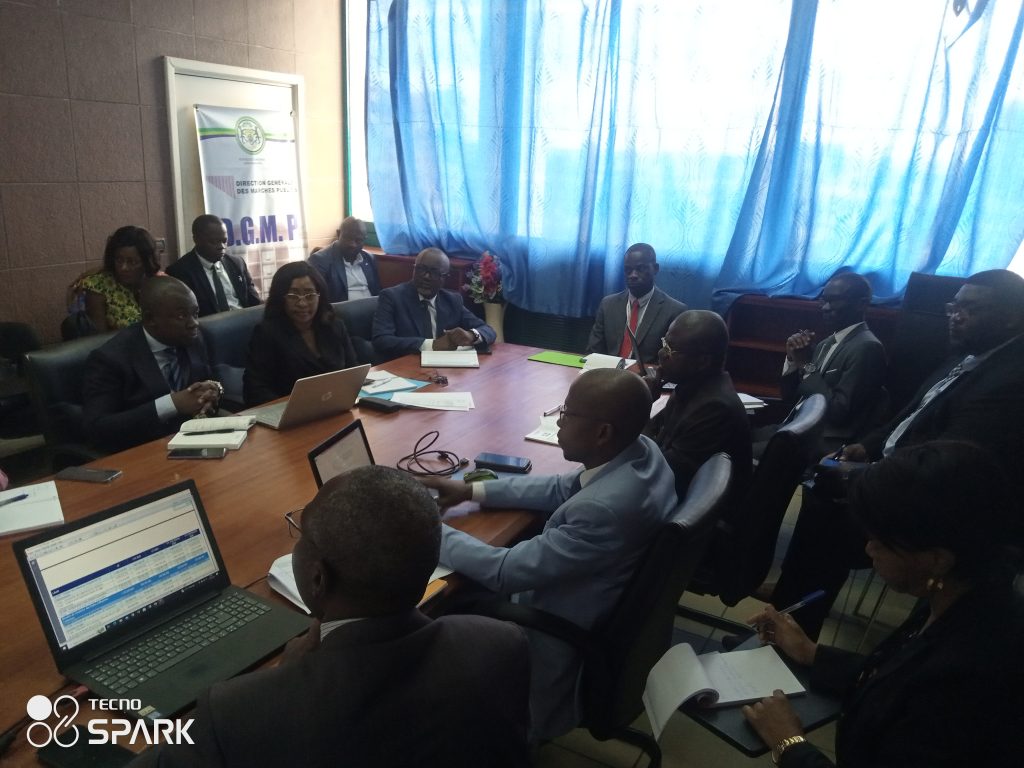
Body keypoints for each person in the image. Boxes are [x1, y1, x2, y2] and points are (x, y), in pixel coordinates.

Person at [130, 465, 531, 767]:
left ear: (318, 578)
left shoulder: (239, 712)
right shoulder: (500, 644)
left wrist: (283, 682)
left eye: (301, 535)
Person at [423, 368, 678, 740]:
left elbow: (504, 571)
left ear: (602, 432)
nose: (558, 423)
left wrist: (423, 525)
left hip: (553, 633)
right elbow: (561, 487)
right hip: (595, 600)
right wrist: (469, 490)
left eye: (567, 414)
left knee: (436, 607)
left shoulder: (603, 510)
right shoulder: (641, 451)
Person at [769, 268, 1024, 638]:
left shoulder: (1010, 381)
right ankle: (785, 618)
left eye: (970, 309)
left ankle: (792, 631)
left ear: (1011, 317)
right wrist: (865, 447)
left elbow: (949, 464)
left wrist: (865, 475)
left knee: (824, 514)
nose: (955, 316)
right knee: (820, 497)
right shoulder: (965, 358)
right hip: (895, 468)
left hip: (934, 502)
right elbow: (905, 419)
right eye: (953, 307)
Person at [742, 441, 1024, 767]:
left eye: (881, 542)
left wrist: (788, 742)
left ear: (936, 559)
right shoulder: (965, 594)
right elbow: (894, 680)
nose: (869, 549)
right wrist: (812, 653)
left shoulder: (966, 679)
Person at [83, 277, 223, 453]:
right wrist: (170, 405)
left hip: (196, 440)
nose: (193, 323)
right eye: (181, 316)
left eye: (195, 313)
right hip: (143, 450)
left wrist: (214, 392)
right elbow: (97, 428)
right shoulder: (111, 359)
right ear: (150, 319)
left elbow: (209, 382)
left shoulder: (194, 338)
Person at [766, 272, 887, 454]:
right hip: (791, 428)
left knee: (739, 451)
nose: (825, 308)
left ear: (861, 304)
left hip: (820, 440)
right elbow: (790, 397)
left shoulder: (867, 347)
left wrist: (805, 364)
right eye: (823, 300)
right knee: (735, 435)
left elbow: (837, 412)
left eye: (834, 301)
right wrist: (793, 359)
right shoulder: (825, 344)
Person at [643, 310, 751, 499]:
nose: (661, 354)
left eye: (670, 350)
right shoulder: (692, 386)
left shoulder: (715, 409)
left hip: (693, 508)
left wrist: (643, 406)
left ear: (702, 362)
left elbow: (655, 473)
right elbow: (661, 442)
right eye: (664, 343)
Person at [243, 261, 359, 406]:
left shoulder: (334, 326)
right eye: (293, 295)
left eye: (310, 295)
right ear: (280, 298)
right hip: (289, 414)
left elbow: (353, 371)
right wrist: (289, 410)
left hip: (335, 407)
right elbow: (255, 390)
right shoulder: (266, 333)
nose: (302, 303)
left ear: (320, 296)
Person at [371, 247, 496, 360]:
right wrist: (432, 345)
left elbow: (488, 330)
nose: (426, 276)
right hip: (406, 366)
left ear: (445, 278)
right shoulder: (392, 297)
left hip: (444, 368)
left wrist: (471, 335)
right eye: (421, 269)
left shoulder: (452, 300)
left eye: (434, 272)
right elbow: (381, 340)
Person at [587, 243, 687, 364]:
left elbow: (671, 362)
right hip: (608, 372)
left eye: (641, 269)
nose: (633, 275)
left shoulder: (674, 311)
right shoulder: (608, 305)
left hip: (646, 375)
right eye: (628, 270)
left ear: (655, 269)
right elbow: (594, 351)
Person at [69, 226, 163, 334]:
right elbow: (99, 339)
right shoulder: (99, 286)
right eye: (119, 260)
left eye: (132, 262)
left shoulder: (157, 283)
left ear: (146, 263)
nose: (123, 267)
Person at [166, 215, 261, 317]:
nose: (221, 246)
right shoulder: (179, 271)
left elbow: (254, 301)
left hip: (245, 321)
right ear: (196, 240)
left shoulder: (237, 263)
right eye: (214, 242)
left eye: (224, 241)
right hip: (209, 325)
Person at [308, 216, 381, 303]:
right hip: (340, 310)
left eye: (358, 240)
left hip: (372, 309)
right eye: (347, 238)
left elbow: (377, 291)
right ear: (338, 234)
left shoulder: (369, 258)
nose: (352, 244)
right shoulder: (320, 260)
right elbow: (318, 300)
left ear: (364, 240)